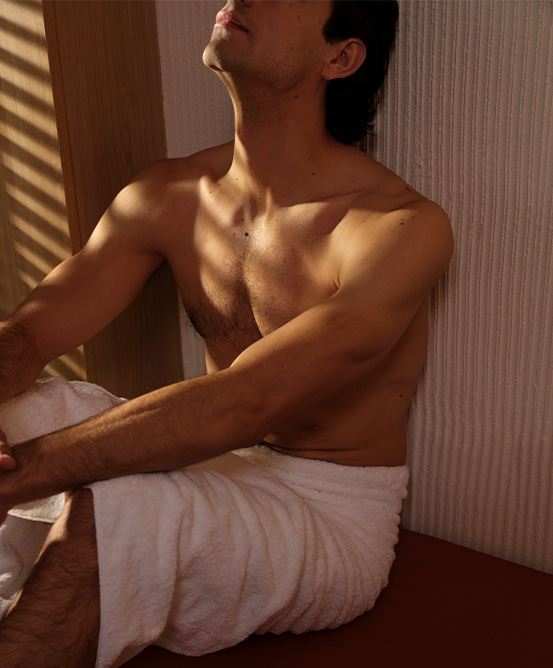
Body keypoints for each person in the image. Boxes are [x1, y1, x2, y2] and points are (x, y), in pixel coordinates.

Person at [0, 1, 453, 666]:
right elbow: (31, 334)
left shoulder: (396, 228)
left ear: (340, 57)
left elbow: (247, 402)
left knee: (117, 505)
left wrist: (12, 481)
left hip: (323, 509)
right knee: (13, 405)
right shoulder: (167, 191)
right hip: (208, 459)